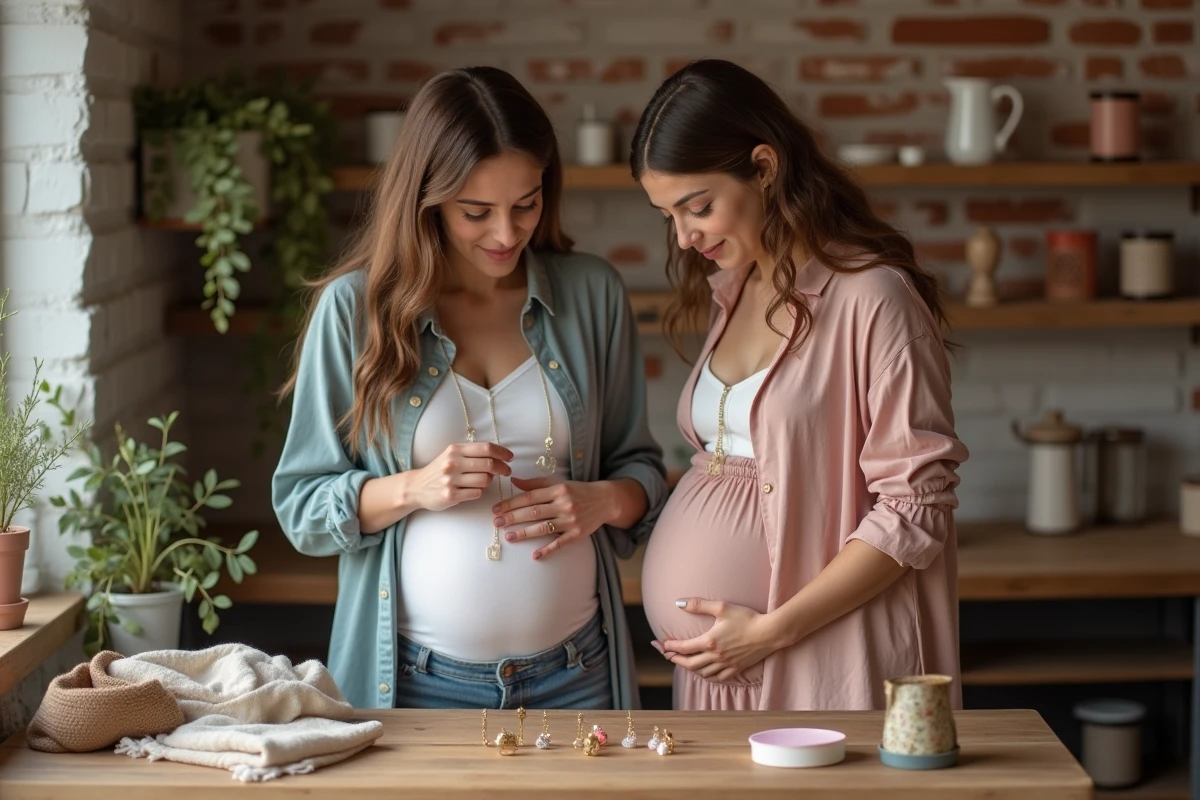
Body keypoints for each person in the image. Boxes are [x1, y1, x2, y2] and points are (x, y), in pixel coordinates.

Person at [272, 66, 667, 711]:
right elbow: (301, 507)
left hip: (578, 673)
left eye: (527, 204)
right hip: (416, 682)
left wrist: (602, 502)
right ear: (426, 198)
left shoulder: (593, 294)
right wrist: (412, 488)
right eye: (476, 212)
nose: (507, 234)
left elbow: (641, 471)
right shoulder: (354, 311)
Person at [633, 59, 970, 711]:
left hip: (815, 655)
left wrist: (769, 631)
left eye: (697, 206)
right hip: (718, 672)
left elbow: (915, 507)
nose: (684, 235)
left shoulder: (874, 298)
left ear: (764, 167)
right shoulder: (733, 290)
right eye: (667, 215)